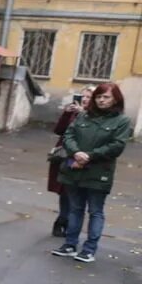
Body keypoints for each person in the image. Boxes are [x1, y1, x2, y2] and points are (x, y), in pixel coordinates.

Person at [50, 82, 131, 264]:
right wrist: (76, 152)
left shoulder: (122, 121)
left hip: (98, 172)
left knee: (95, 211)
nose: (101, 100)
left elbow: (117, 145)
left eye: (106, 97)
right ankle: (70, 245)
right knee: (75, 209)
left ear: (115, 99)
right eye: (99, 97)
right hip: (74, 170)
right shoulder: (84, 116)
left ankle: (88, 250)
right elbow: (68, 135)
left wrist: (90, 156)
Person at [48, 92, 90, 237]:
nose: (84, 99)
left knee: (75, 192)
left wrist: (83, 114)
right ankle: (62, 221)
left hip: (82, 157)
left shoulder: (94, 116)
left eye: (89, 97)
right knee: (64, 190)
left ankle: (69, 223)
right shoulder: (74, 113)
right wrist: (66, 114)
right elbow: (59, 131)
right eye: (83, 96)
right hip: (64, 156)